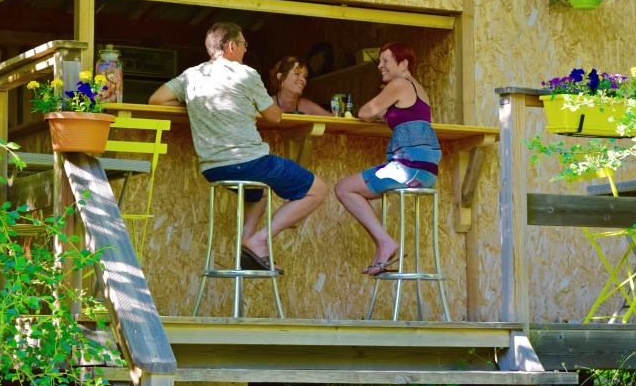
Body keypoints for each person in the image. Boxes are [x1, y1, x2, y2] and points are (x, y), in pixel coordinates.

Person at [149, 22, 327, 273]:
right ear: (231, 46)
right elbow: (274, 117)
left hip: (212, 168)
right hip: (248, 162)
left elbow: (156, 100)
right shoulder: (246, 74)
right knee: (318, 190)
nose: (245, 50)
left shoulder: (191, 75)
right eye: (244, 44)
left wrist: (194, 105)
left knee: (260, 192)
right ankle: (260, 241)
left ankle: (248, 242)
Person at [334, 42, 441, 275]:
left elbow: (365, 112)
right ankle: (384, 245)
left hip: (408, 169)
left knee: (343, 188)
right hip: (424, 172)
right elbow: (388, 113)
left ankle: (385, 242)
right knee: (353, 188)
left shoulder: (399, 83)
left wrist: (377, 112)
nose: (380, 66)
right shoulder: (417, 88)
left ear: (403, 64)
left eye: (385, 61)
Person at [268, 56, 334, 116]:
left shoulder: (307, 106)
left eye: (304, 76)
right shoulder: (266, 105)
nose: (303, 80)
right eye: (297, 73)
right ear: (281, 77)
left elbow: (335, 120)